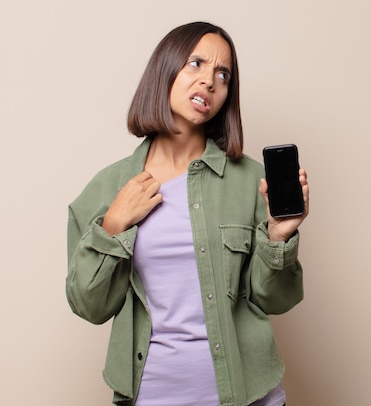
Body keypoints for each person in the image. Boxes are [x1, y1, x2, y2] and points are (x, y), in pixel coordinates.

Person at [66, 21, 308, 406]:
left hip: (248, 394)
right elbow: (89, 306)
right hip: (152, 395)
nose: (209, 81)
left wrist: (278, 239)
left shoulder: (249, 182)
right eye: (196, 63)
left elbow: (275, 301)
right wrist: (112, 226)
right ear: (165, 69)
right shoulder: (109, 187)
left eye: (222, 74)